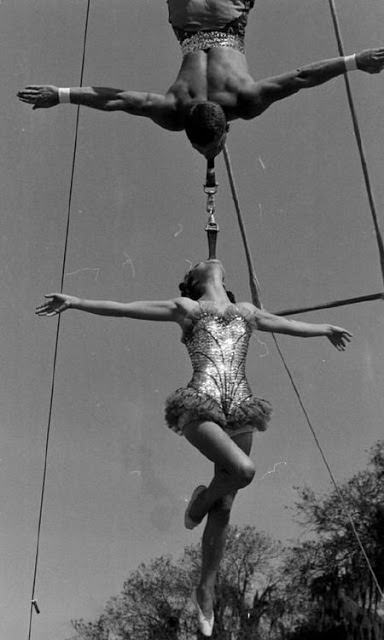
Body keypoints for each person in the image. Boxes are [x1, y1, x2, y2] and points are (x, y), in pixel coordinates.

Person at [36, 258, 352, 637]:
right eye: (200, 265)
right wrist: (75, 301)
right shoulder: (187, 308)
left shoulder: (247, 312)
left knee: (227, 503)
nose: (208, 261)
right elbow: (125, 310)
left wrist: (324, 329)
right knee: (243, 472)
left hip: (242, 407)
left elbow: (286, 325)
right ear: (195, 281)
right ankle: (198, 504)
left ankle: (206, 589)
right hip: (200, 403)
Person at [16, 0, 384, 159]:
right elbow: (117, 99)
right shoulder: (174, 111)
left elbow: (303, 77)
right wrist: (60, 94)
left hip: (228, 12)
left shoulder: (245, 101)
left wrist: (356, 61)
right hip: (187, 13)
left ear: (226, 129)